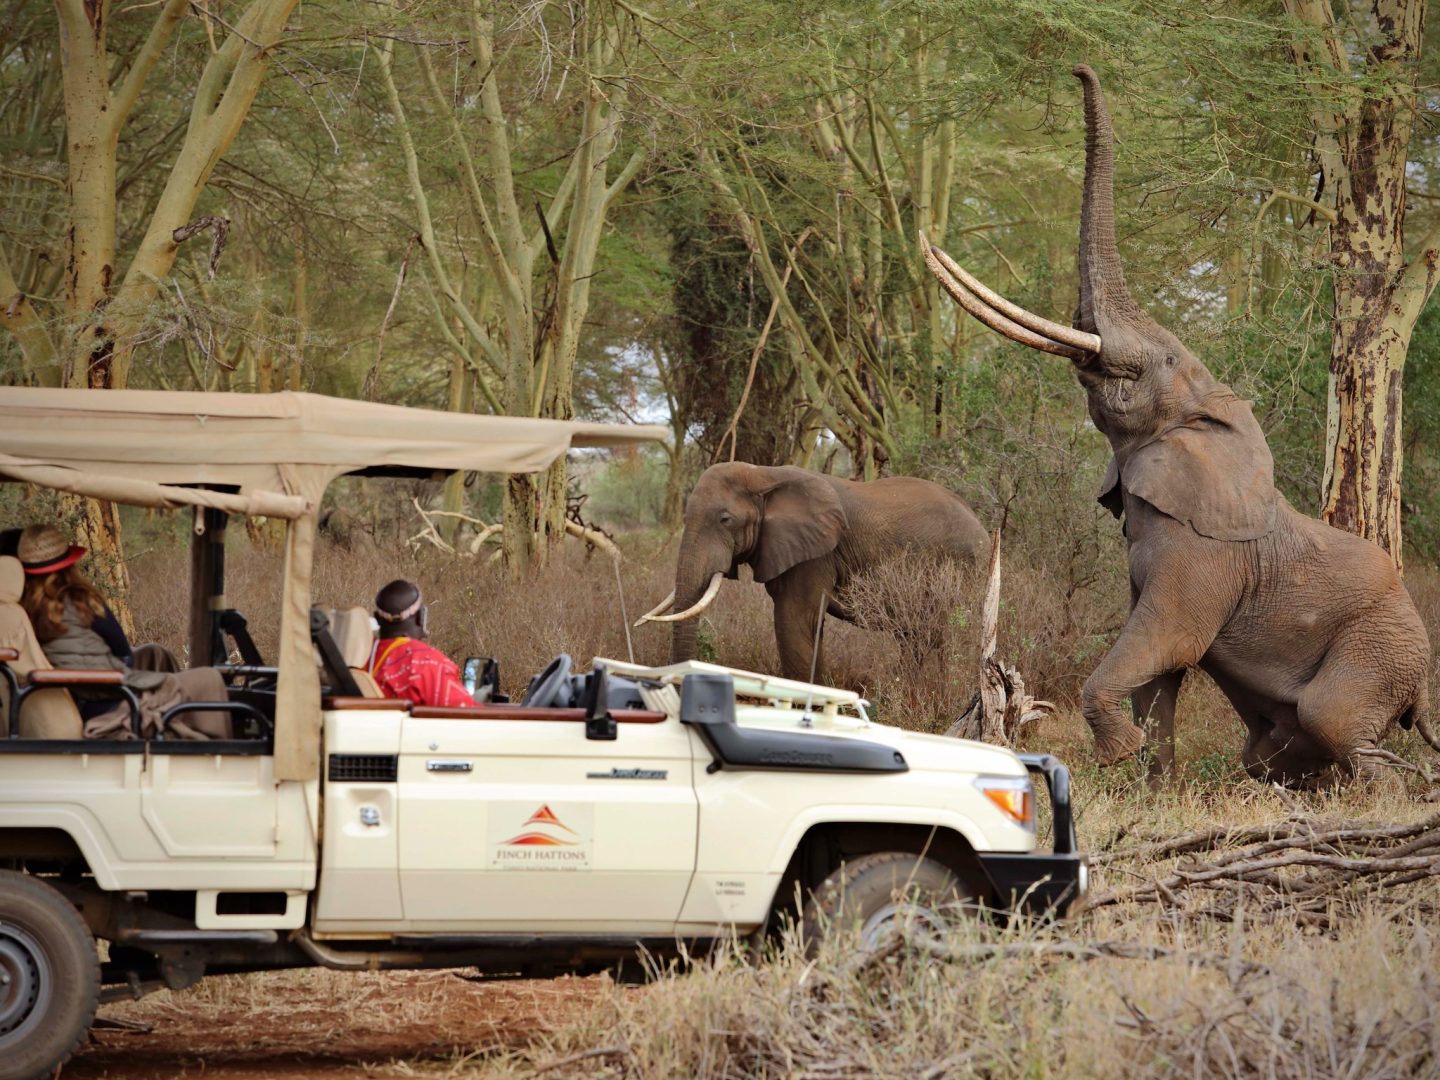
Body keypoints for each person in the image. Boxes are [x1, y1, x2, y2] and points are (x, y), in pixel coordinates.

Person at [16, 524, 232, 739]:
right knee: (209, 678)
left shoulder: (23, 609)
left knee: (155, 653)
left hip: (81, 698)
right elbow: (122, 650)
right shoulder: (80, 600)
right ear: (68, 566)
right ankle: (217, 750)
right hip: (113, 700)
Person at [368, 579, 478, 708]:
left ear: (377, 618)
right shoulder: (425, 662)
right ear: (420, 617)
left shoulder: (362, 657)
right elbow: (465, 711)